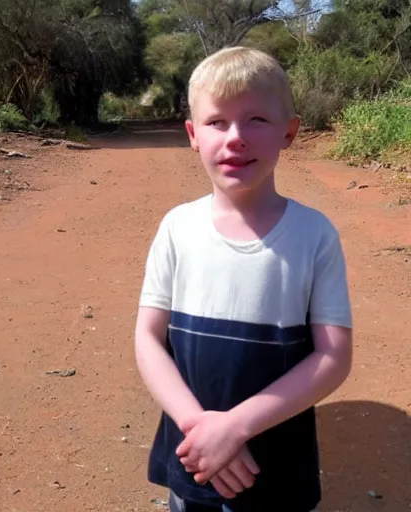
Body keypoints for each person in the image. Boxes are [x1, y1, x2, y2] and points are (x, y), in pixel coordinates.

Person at [134, 46, 353, 512]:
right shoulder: (177, 227)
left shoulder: (315, 234)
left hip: (279, 468)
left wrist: (234, 428)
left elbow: (333, 357)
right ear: (193, 134)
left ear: (289, 133)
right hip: (193, 456)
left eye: (256, 120)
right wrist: (201, 427)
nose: (236, 137)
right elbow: (148, 338)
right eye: (217, 122)